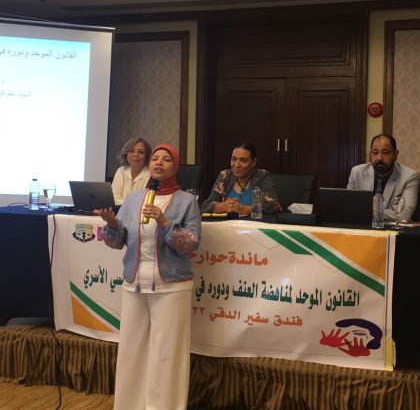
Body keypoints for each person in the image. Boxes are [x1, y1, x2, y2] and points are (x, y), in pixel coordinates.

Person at [95, 143, 201, 410]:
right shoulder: (133, 199)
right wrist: (112, 225)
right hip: (134, 283)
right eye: (155, 158)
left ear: (175, 167)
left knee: (167, 354)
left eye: (166, 159)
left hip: (171, 286)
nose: (158, 162)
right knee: (132, 351)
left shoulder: (187, 201)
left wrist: (165, 223)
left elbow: (191, 243)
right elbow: (116, 241)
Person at [347, 133, 420, 222]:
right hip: (362, 227)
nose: (379, 158)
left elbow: (404, 215)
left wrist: (365, 211)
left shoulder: (410, 176)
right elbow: (349, 207)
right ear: (370, 155)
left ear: (395, 155)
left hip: (392, 229)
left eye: (385, 152)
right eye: (375, 153)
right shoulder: (357, 172)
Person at [201, 141, 281, 216]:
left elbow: (274, 206)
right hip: (227, 225)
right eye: (234, 159)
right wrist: (222, 206)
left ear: (253, 162)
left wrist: (244, 209)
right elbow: (205, 206)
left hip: (253, 225)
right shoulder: (225, 176)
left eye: (243, 160)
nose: (237, 165)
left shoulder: (262, 176)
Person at [111, 137, 152, 205]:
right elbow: (113, 199)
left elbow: (144, 203)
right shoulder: (121, 171)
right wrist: (132, 204)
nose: (136, 155)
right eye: (131, 151)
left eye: (141, 152)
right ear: (126, 154)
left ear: (146, 156)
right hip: (118, 211)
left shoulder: (151, 175)